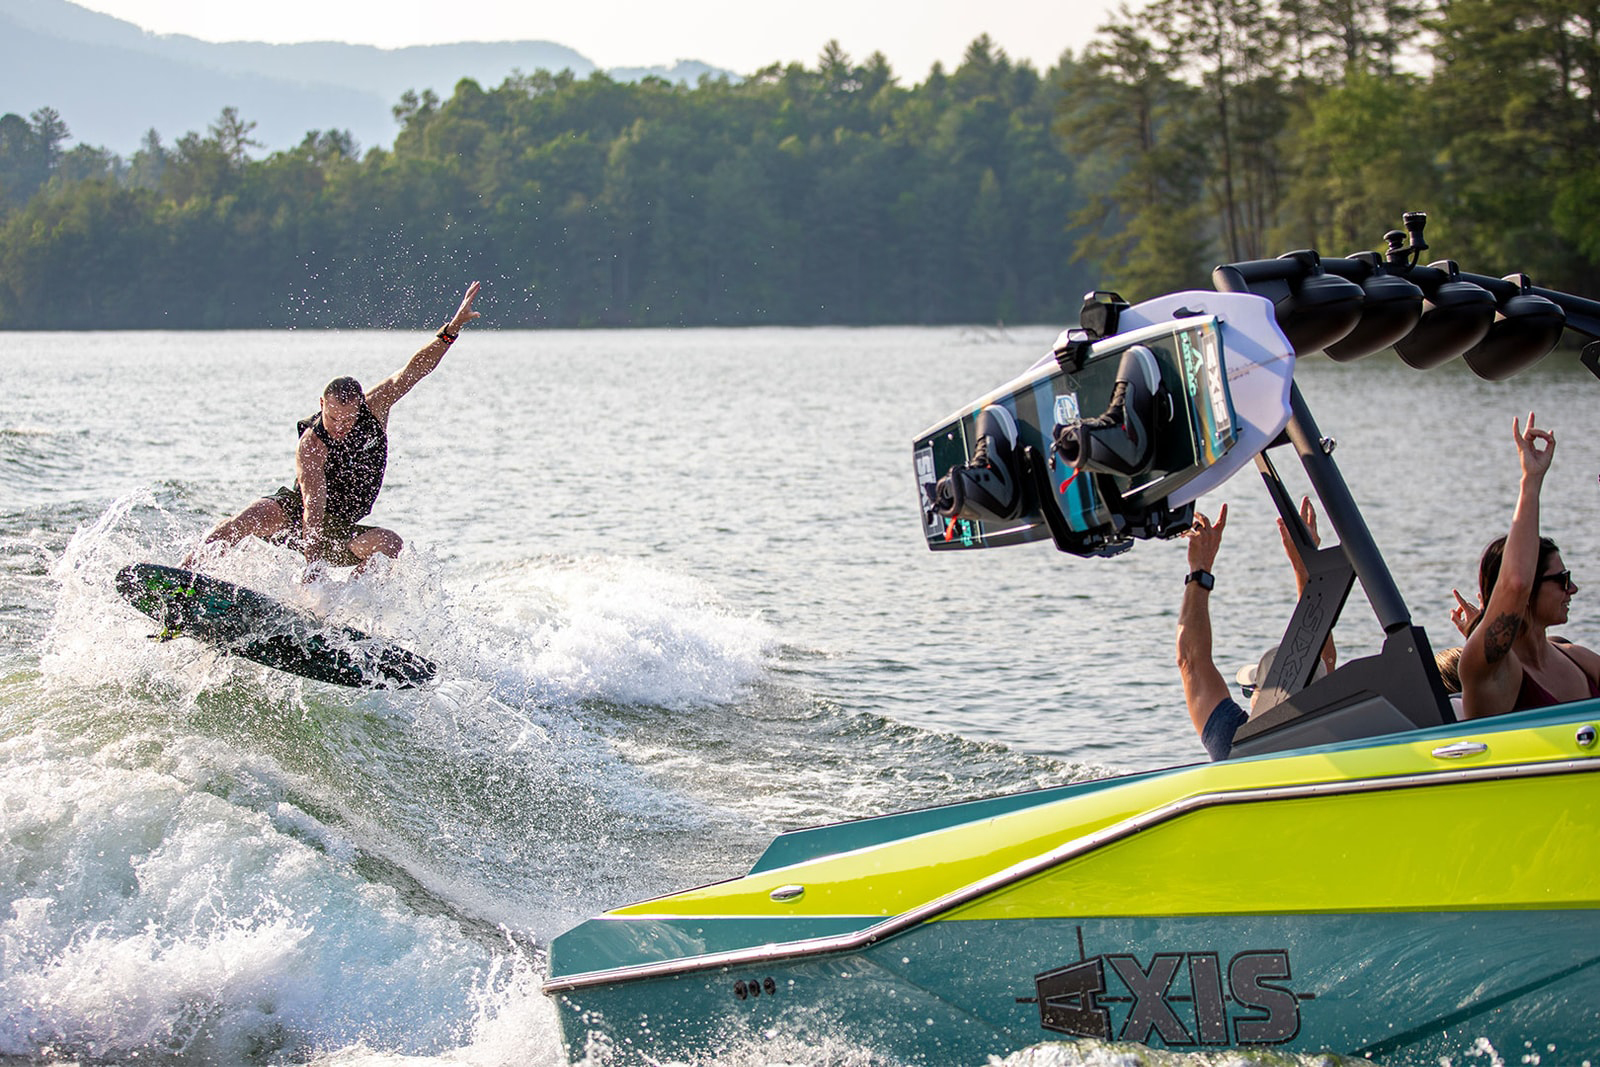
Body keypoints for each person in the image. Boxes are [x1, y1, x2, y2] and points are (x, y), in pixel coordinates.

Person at [188, 281, 482, 575]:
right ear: (321, 404)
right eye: (332, 418)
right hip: (299, 518)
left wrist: (452, 329)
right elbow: (312, 506)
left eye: (347, 420)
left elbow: (414, 370)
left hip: (341, 529)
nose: (339, 427)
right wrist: (312, 568)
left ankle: (346, 599)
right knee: (253, 515)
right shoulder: (312, 443)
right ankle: (186, 572)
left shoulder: (375, 408)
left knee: (390, 544)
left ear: (360, 407)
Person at [1459, 413, 1600, 718]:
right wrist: (1531, 480)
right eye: (1563, 579)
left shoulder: (1576, 657)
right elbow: (1515, 583)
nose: (1573, 589)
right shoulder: (1490, 670)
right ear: (1527, 593)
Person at [1175, 497, 1336, 761]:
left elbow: (1190, 660)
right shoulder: (1345, 735)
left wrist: (1200, 569)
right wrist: (1303, 569)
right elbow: (1323, 659)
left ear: (1265, 698)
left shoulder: (1236, 746)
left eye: (1251, 690)